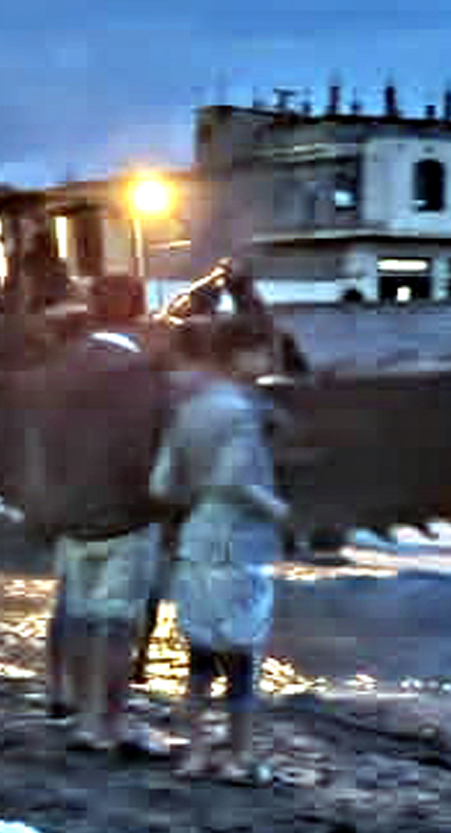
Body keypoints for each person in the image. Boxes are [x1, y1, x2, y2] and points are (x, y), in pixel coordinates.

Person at [150, 322, 290, 783]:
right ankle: (237, 757)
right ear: (240, 356)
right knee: (242, 661)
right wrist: (276, 507)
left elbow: (161, 485)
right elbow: (234, 480)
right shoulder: (241, 411)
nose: (269, 364)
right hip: (238, 544)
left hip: (195, 541)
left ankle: (194, 753)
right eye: (263, 354)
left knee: (200, 659)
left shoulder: (187, 411)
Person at [34, 330, 173, 756]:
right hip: (126, 526)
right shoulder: (142, 385)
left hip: (74, 525)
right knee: (117, 630)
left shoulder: (59, 380)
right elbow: (153, 461)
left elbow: (44, 453)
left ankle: (82, 719)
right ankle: (110, 724)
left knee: (79, 620)